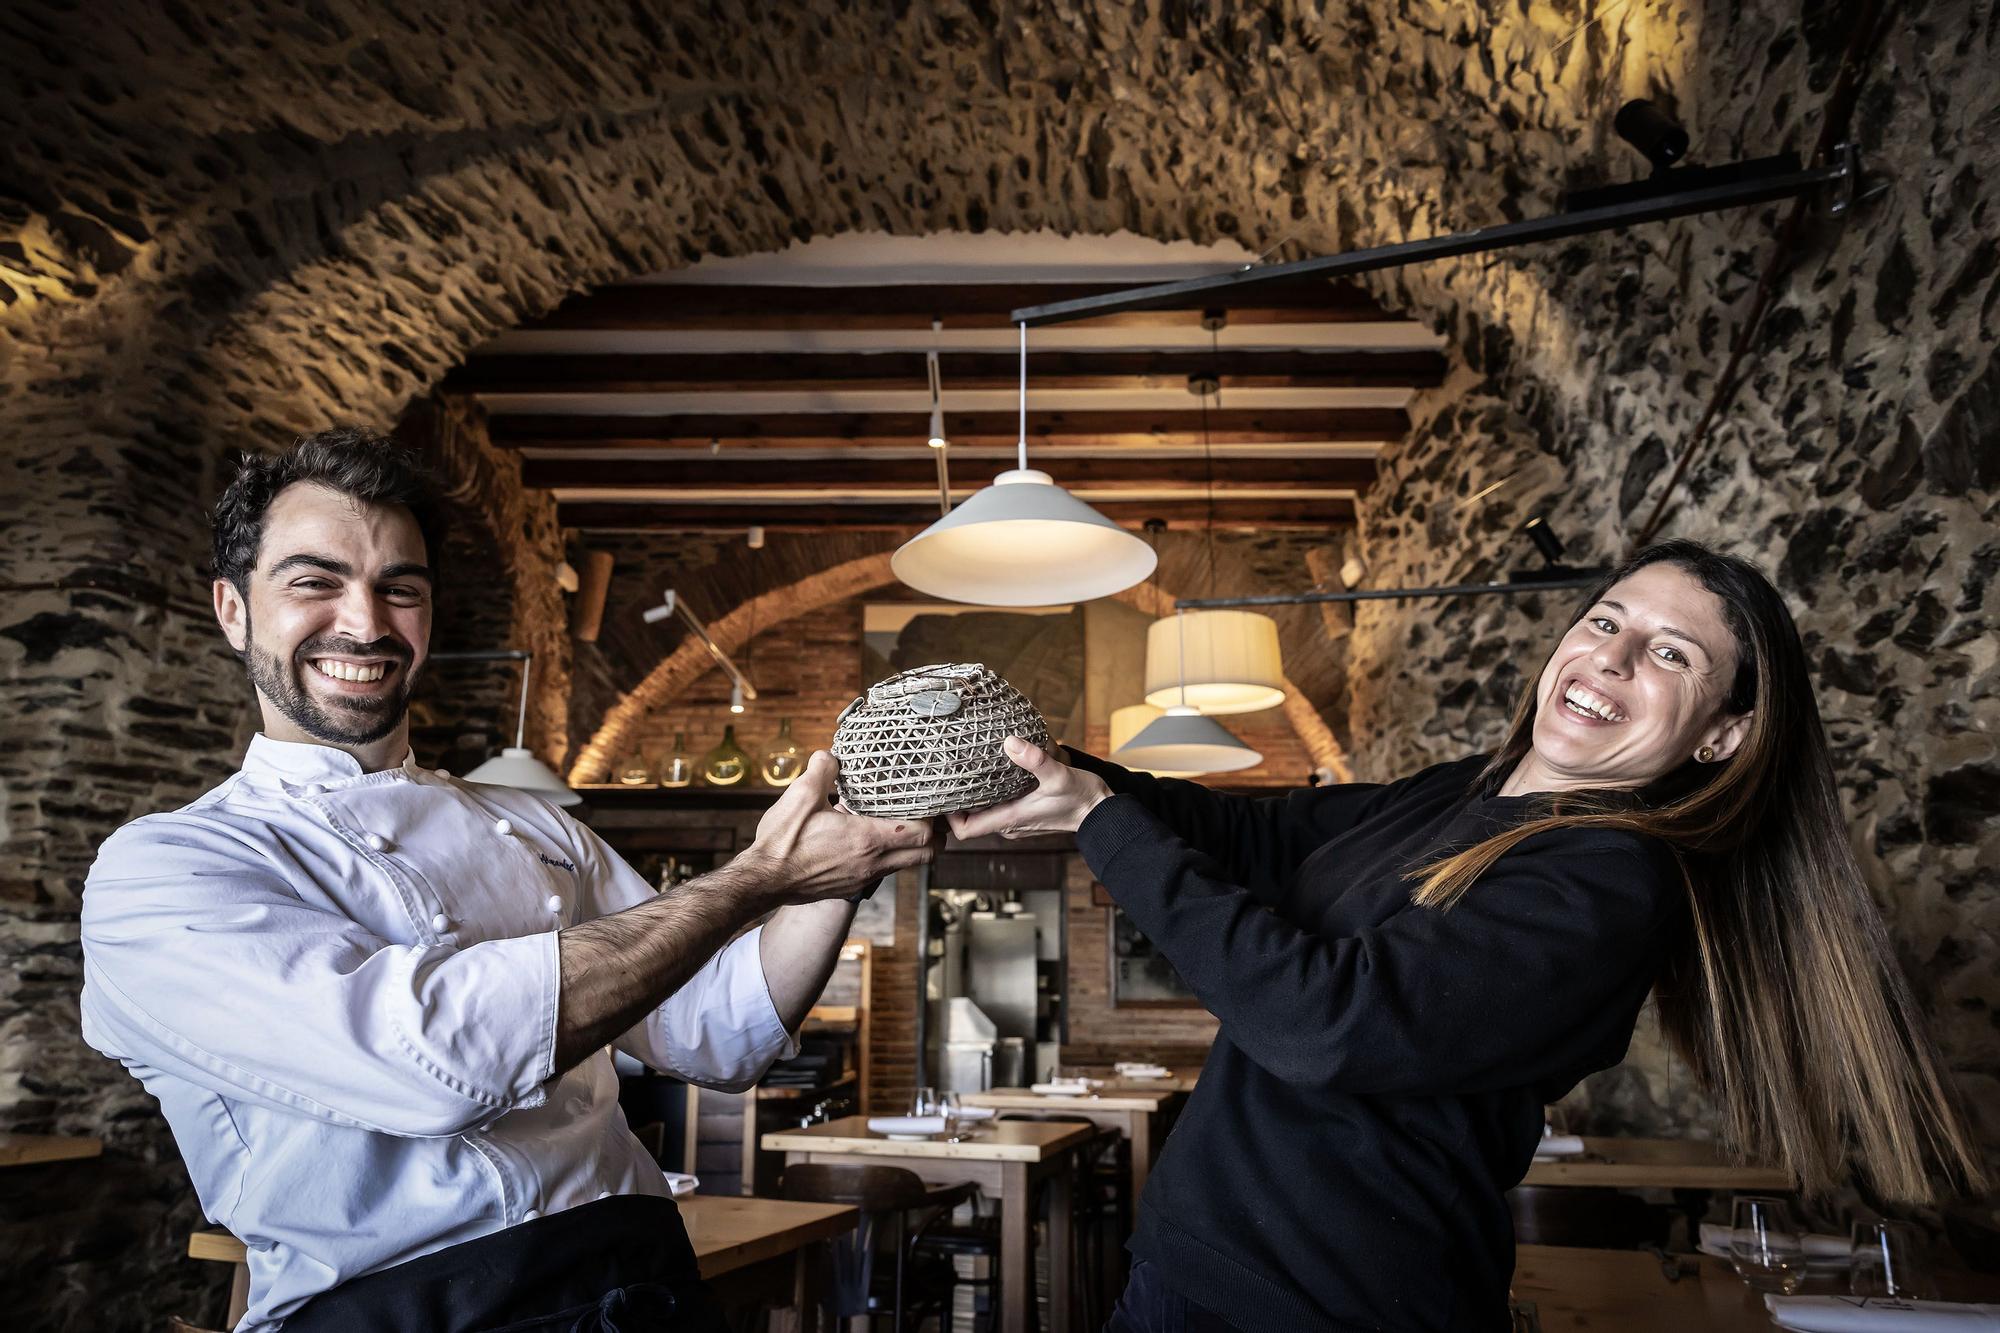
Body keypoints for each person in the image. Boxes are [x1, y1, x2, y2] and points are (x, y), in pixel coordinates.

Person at [952, 539, 1987, 1332]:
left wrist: (1098, 822)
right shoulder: (1464, 792)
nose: (1610, 656)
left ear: (1720, 735)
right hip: (1189, 1264)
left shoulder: (1610, 878)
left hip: (1332, 1301)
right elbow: (1247, 832)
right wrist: (1046, 770)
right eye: (1603, 620)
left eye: (1668, 653)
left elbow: (1327, 1023)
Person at [79, 427, 938, 1333]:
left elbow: (720, 1034)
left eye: (398, 588)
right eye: (314, 581)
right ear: (233, 610)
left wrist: (846, 867)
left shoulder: (534, 823)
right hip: (405, 1311)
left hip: (639, 1279)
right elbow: (435, 1062)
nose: (365, 622)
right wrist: (757, 878)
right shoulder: (166, 869)